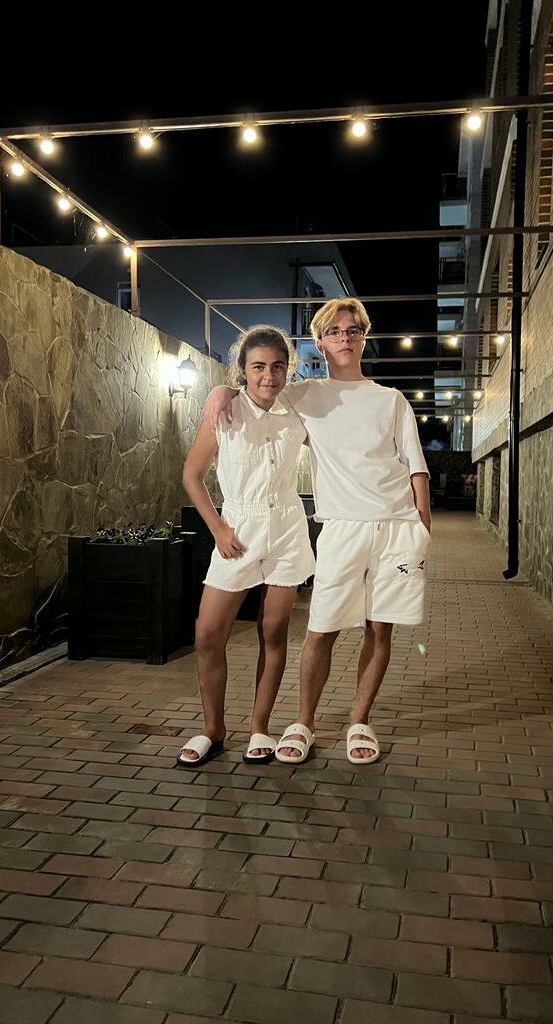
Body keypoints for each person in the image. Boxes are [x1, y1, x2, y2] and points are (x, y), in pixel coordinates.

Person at [204, 298, 430, 766]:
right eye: (335, 331)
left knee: (380, 628)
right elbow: (257, 389)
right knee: (321, 628)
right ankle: (304, 721)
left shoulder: (391, 399)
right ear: (320, 342)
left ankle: (359, 721)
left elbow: (416, 467)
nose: (345, 338)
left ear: (364, 338)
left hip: (397, 527)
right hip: (341, 528)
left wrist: (422, 531)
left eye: (353, 331)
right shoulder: (302, 395)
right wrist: (220, 390)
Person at [178, 326, 315, 767]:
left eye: (277, 366)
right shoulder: (225, 409)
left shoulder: (299, 411)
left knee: (273, 631)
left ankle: (260, 727)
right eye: (258, 367)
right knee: (207, 634)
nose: (268, 376)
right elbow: (192, 475)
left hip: (287, 532)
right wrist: (218, 528)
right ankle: (213, 730)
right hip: (236, 532)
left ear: (287, 369)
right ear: (242, 369)